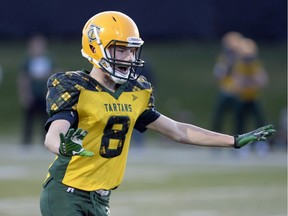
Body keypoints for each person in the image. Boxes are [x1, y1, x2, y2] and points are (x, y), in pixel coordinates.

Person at [40, 11, 276, 216]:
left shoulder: (136, 92)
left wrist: (233, 141)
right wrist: (62, 145)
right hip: (65, 192)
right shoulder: (74, 86)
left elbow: (177, 131)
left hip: (101, 199)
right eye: (120, 50)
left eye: (131, 51)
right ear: (95, 46)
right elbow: (54, 133)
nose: (129, 58)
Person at [18, 34, 55, 146]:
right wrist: (25, 94)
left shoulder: (49, 59)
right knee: (29, 119)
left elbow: (54, 74)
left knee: (45, 118)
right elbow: (23, 78)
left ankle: (46, 140)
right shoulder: (28, 60)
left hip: (45, 93)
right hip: (33, 93)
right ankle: (27, 141)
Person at [211, 31, 243, 134]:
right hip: (225, 91)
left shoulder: (243, 60)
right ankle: (215, 137)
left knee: (238, 118)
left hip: (238, 93)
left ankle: (238, 138)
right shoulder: (224, 59)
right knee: (218, 116)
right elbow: (218, 74)